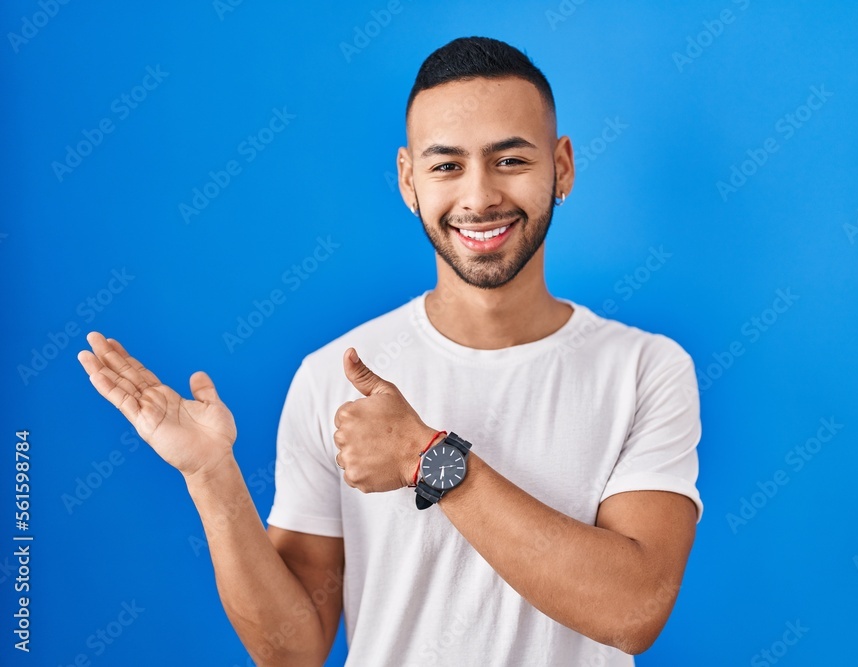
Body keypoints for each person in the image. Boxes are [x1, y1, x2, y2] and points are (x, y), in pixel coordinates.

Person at [77, 36, 703, 667]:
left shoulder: (645, 369)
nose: (480, 196)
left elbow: (632, 611)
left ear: (561, 167)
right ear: (409, 179)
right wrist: (211, 478)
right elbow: (291, 650)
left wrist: (425, 458)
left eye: (510, 160)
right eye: (447, 165)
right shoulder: (331, 375)